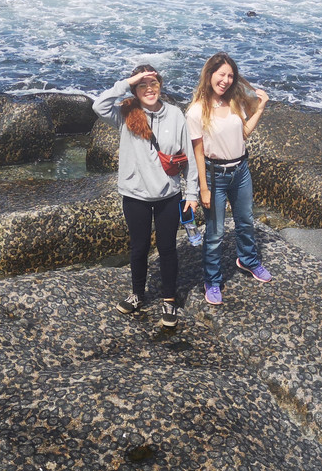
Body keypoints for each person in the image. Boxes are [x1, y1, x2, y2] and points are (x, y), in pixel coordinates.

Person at [93, 64, 198, 328]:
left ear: (161, 86)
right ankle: (137, 294)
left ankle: (169, 300)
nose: (149, 89)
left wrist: (192, 193)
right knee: (138, 248)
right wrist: (127, 82)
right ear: (134, 89)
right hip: (135, 195)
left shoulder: (175, 114)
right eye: (142, 85)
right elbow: (98, 105)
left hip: (168, 194)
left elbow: (188, 156)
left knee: (167, 248)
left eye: (153, 84)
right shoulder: (126, 113)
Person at [186, 52, 270, 305]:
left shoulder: (234, 102)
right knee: (215, 233)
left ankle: (248, 260)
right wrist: (203, 188)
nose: (225, 80)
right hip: (215, 176)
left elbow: (243, 134)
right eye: (221, 74)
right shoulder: (196, 111)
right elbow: (197, 153)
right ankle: (212, 280)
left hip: (241, 171)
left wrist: (260, 108)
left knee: (245, 220)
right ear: (209, 74)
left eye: (230, 76)